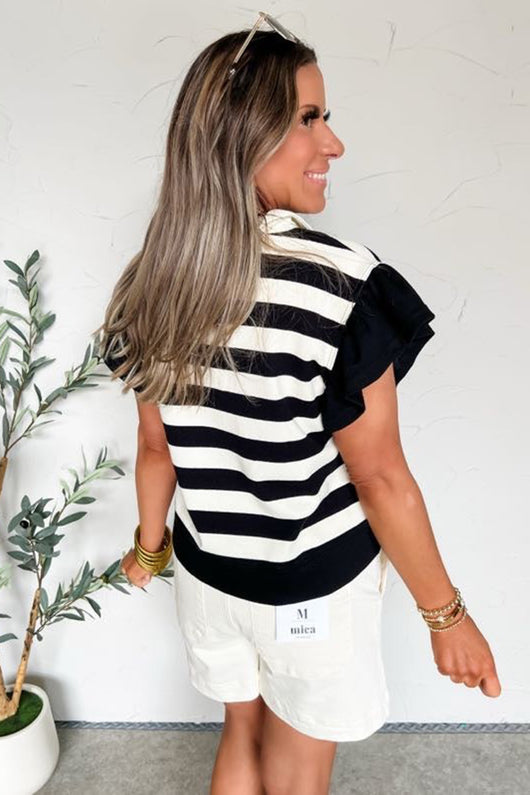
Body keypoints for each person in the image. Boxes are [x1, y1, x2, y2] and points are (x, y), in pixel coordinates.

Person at [95, 12, 502, 795]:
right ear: (242, 136)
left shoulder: (151, 282)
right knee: (297, 764)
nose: (333, 144)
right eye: (308, 118)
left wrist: (148, 550)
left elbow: (155, 448)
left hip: (210, 580)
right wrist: (447, 617)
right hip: (309, 589)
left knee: (241, 733)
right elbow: (380, 478)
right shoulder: (345, 285)